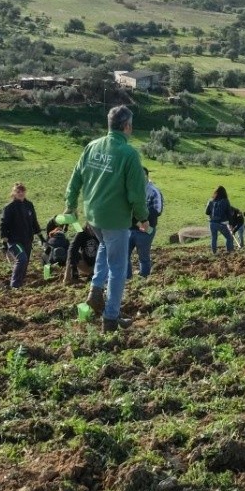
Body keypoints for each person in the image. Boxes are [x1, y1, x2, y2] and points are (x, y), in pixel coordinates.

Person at [66, 105, 148, 332]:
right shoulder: (129, 154)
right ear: (127, 126)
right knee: (118, 268)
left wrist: (70, 205)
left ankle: (94, 292)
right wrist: (142, 218)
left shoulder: (92, 146)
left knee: (104, 248)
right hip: (115, 220)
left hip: (93, 218)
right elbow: (136, 193)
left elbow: (75, 178)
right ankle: (111, 317)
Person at [0, 182, 40, 290]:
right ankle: (14, 286)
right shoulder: (9, 208)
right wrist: (4, 243)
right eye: (18, 191)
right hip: (14, 240)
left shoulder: (29, 205)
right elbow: (4, 225)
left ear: (25, 192)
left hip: (27, 239)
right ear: (14, 193)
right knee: (22, 259)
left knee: (25, 263)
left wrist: (42, 238)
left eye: (22, 191)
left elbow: (34, 222)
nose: (21, 193)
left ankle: (19, 286)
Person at [129, 169, 163, 280]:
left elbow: (157, 210)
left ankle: (144, 279)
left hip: (146, 230)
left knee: (143, 256)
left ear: (146, 176)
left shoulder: (154, 191)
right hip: (129, 229)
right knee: (124, 255)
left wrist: (142, 218)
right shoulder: (130, 190)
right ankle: (127, 278)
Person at [205, 187, 236, 254]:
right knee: (229, 238)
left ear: (216, 193)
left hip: (212, 223)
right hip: (221, 223)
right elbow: (229, 213)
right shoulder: (225, 201)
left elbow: (206, 212)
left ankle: (214, 253)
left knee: (214, 238)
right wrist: (231, 224)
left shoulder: (211, 201)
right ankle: (229, 252)